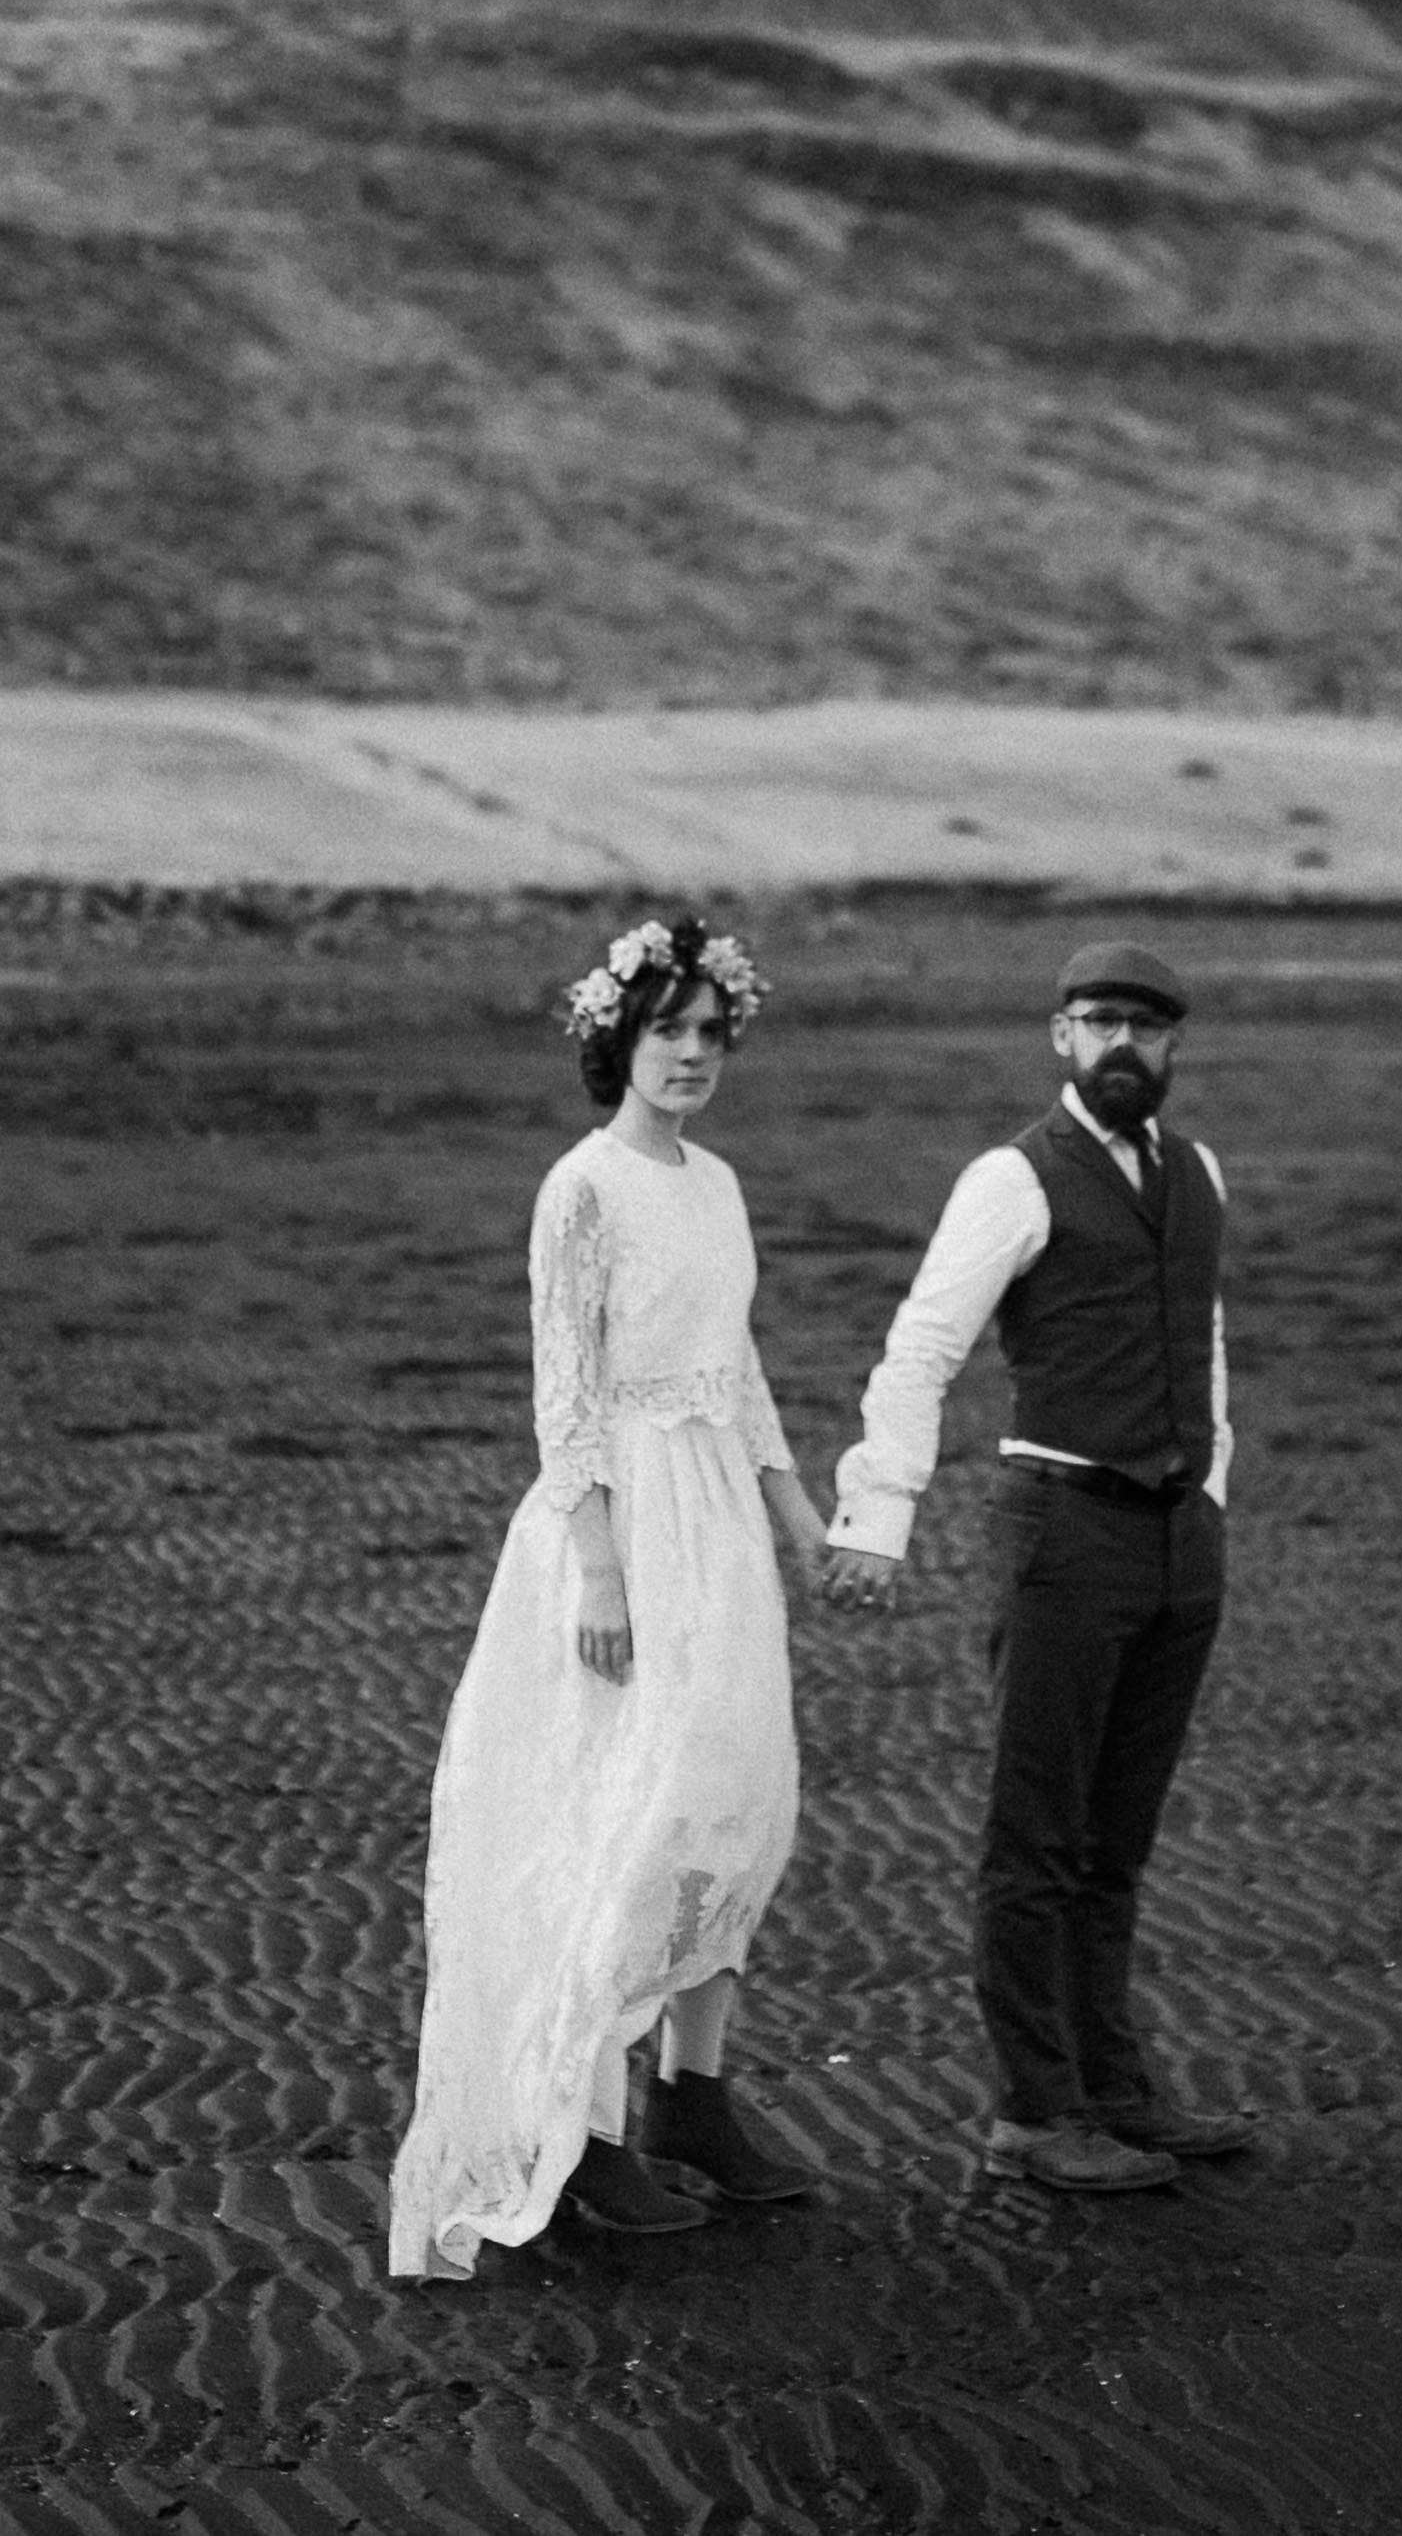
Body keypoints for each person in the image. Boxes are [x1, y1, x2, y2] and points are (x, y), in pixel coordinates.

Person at [384, 914, 838, 2277]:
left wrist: (798, 1512)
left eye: (713, 1034)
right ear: (618, 1042)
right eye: (669, 1031)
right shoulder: (581, 1187)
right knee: (620, 1825)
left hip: (718, 1528)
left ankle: (693, 2095)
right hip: (625, 1522)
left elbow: (736, 1363)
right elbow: (565, 1391)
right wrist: (596, 1567)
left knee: (733, 1801)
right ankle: (577, 2139)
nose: (695, 1054)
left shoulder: (716, 1183)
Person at [816, 938, 1255, 2195]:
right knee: (1037, 1837)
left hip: (1177, 1538)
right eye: (1101, 1023)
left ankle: (1115, 2091)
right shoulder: (1012, 1177)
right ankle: (1031, 2112)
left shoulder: (1200, 1173)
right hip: (1060, 1527)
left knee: (1118, 1840)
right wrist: (879, 1515)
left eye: (1149, 1028)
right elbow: (917, 1353)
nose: (1126, 1046)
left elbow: (1206, 1347)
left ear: (1175, 1047)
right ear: (1061, 1039)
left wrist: (1211, 1491)